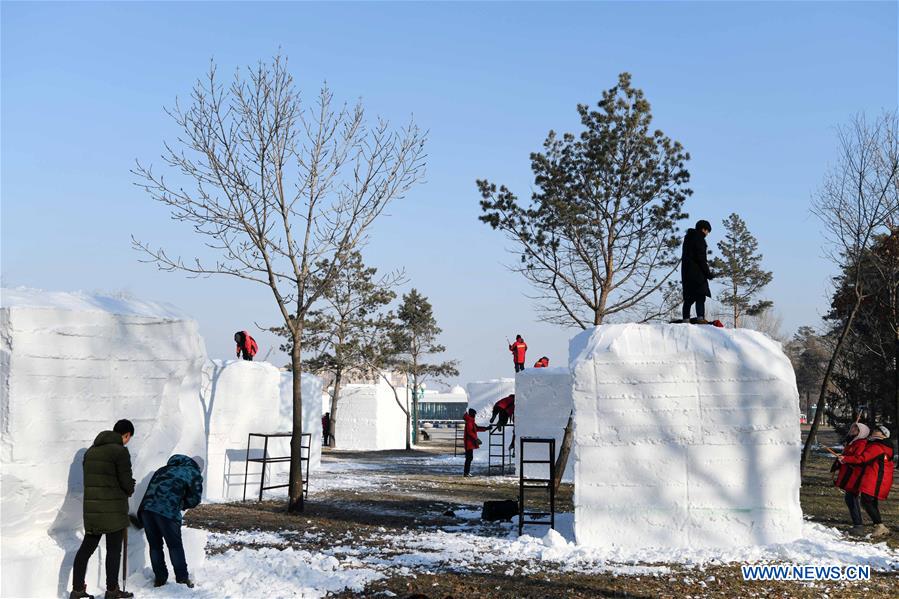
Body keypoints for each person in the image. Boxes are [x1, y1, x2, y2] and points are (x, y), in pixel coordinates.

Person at [70, 419, 136, 599]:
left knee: (85, 550)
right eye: (129, 438)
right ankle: (112, 590)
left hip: (93, 510)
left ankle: (77, 590)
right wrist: (131, 486)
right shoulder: (120, 452)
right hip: (113, 510)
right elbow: (126, 483)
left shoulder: (91, 451)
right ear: (126, 435)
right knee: (114, 551)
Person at [136, 454, 204, 588]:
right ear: (198, 467)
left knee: (155, 546)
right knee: (174, 546)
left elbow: (151, 491)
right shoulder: (193, 472)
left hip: (146, 510)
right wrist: (181, 504)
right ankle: (182, 579)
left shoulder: (163, 469)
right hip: (167, 511)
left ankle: (160, 578)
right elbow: (194, 499)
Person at [839, 425, 894, 538]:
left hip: (876, 477)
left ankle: (880, 526)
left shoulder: (878, 446)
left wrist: (845, 459)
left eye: (877, 430)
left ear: (883, 435)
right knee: (870, 501)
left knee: (867, 501)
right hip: (877, 476)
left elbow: (862, 458)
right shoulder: (879, 445)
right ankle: (879, 526)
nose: (874, 431)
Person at [832, 422, 869, 536]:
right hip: (850, 473)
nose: (852, 429)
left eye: (856, 428)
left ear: (861, 432)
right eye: (853, 427)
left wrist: (846, 458)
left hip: (855, 474)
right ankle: (857, 524)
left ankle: (858, 525)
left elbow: (858, 458)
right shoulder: (853, 441)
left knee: (851, 498)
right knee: (850, 498)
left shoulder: (861, 443)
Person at [680, 220, 715, 324]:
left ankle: (685, 319)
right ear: (703, 229)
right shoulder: (699, 239)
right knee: (700, 295)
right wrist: (708, 273)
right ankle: (700, 317)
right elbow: (701, 259)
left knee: (689, 298)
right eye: (707, 231)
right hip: (697, 273)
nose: (707, 234)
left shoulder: (687, 239)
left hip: (686, 273)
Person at [462, 408, 489, 477]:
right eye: (474, 414)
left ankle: (466, 473)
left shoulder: (470, 420)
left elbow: (476, 428)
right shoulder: (469, 421)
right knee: (469, 458)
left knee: (469, 458)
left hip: (470, 443)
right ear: (471, 414)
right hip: (469, 443)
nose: (475, 415)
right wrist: (476, 439)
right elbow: (470, 432)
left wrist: (486, 428)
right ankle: (466, 473)